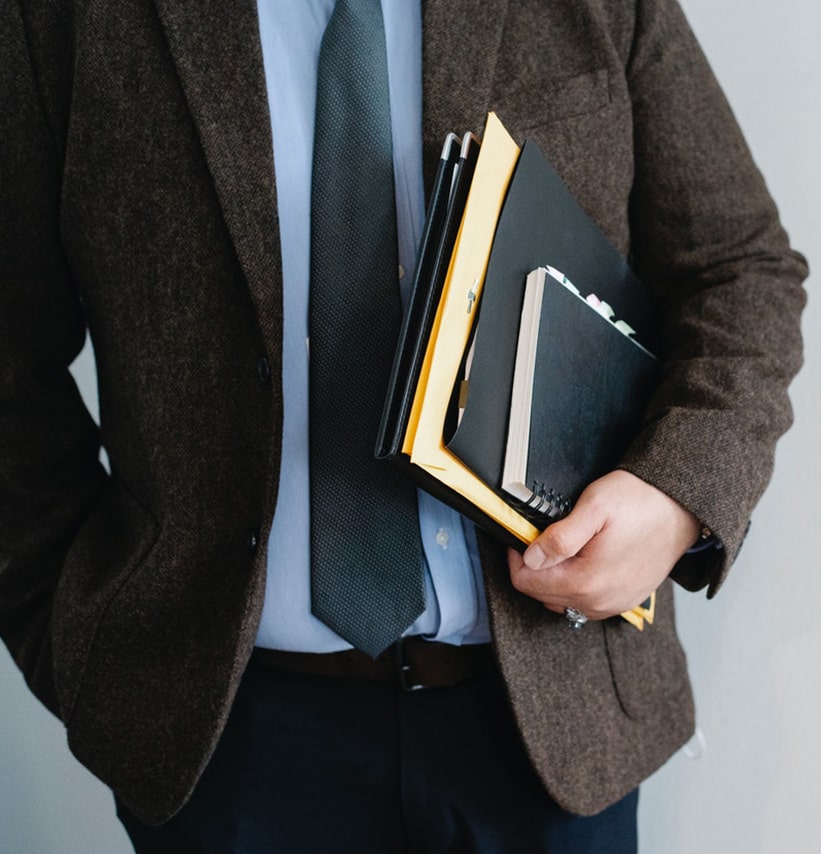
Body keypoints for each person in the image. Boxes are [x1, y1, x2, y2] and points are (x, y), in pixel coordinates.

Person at [0, 0, 807, 851]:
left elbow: (736, 268)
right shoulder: (64, 19)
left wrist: (678, 493)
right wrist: (80, 649)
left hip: (550, 720)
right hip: (223, 744)